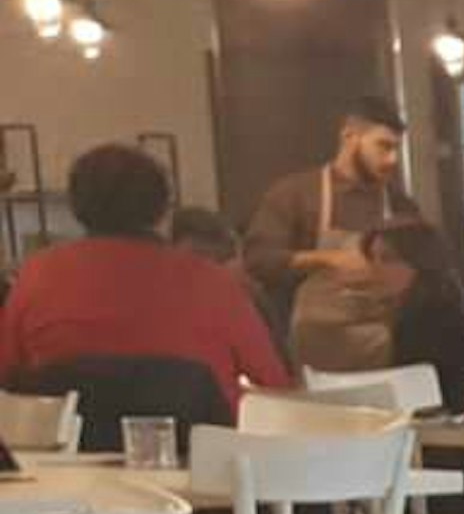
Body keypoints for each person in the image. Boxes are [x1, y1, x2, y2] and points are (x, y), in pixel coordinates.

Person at [0, 142, 290, 407]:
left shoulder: (37, 276)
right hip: (198, 450)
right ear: (162, 207)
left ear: (77, 206)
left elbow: (7, 374)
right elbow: (275, 386)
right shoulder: (211, 282)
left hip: (70, 452)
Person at [240, 95, 418, 371]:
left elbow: (424, 271)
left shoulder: (400, 205)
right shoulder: (295, 194)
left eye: (397, 149)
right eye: (384, 146)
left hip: (382, 351)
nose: (393, 159)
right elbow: (258, 259)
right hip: (311, 352)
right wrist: (329, 259)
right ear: (350, 136)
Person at [359, 220, 464, 415]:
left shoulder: (428, 320)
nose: (374, 268)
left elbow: (418, 400)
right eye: (371, 258)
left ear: (420, 264)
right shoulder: (412, 314)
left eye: (387, 259)